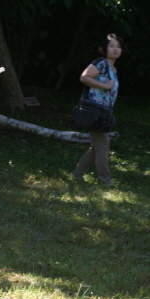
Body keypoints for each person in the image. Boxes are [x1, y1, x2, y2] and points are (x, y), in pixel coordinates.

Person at [71, 33, 125, 187]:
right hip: (94, 112)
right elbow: (84, 77)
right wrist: (105, 86)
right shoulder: (101, 62)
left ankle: (77, 174)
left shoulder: (112, 68)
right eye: (112, 46)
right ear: (103, 49)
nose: (115, 49)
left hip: (103, 113)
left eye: (118, 46)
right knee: (103, 145)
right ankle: (105, 181)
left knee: (97, 146)